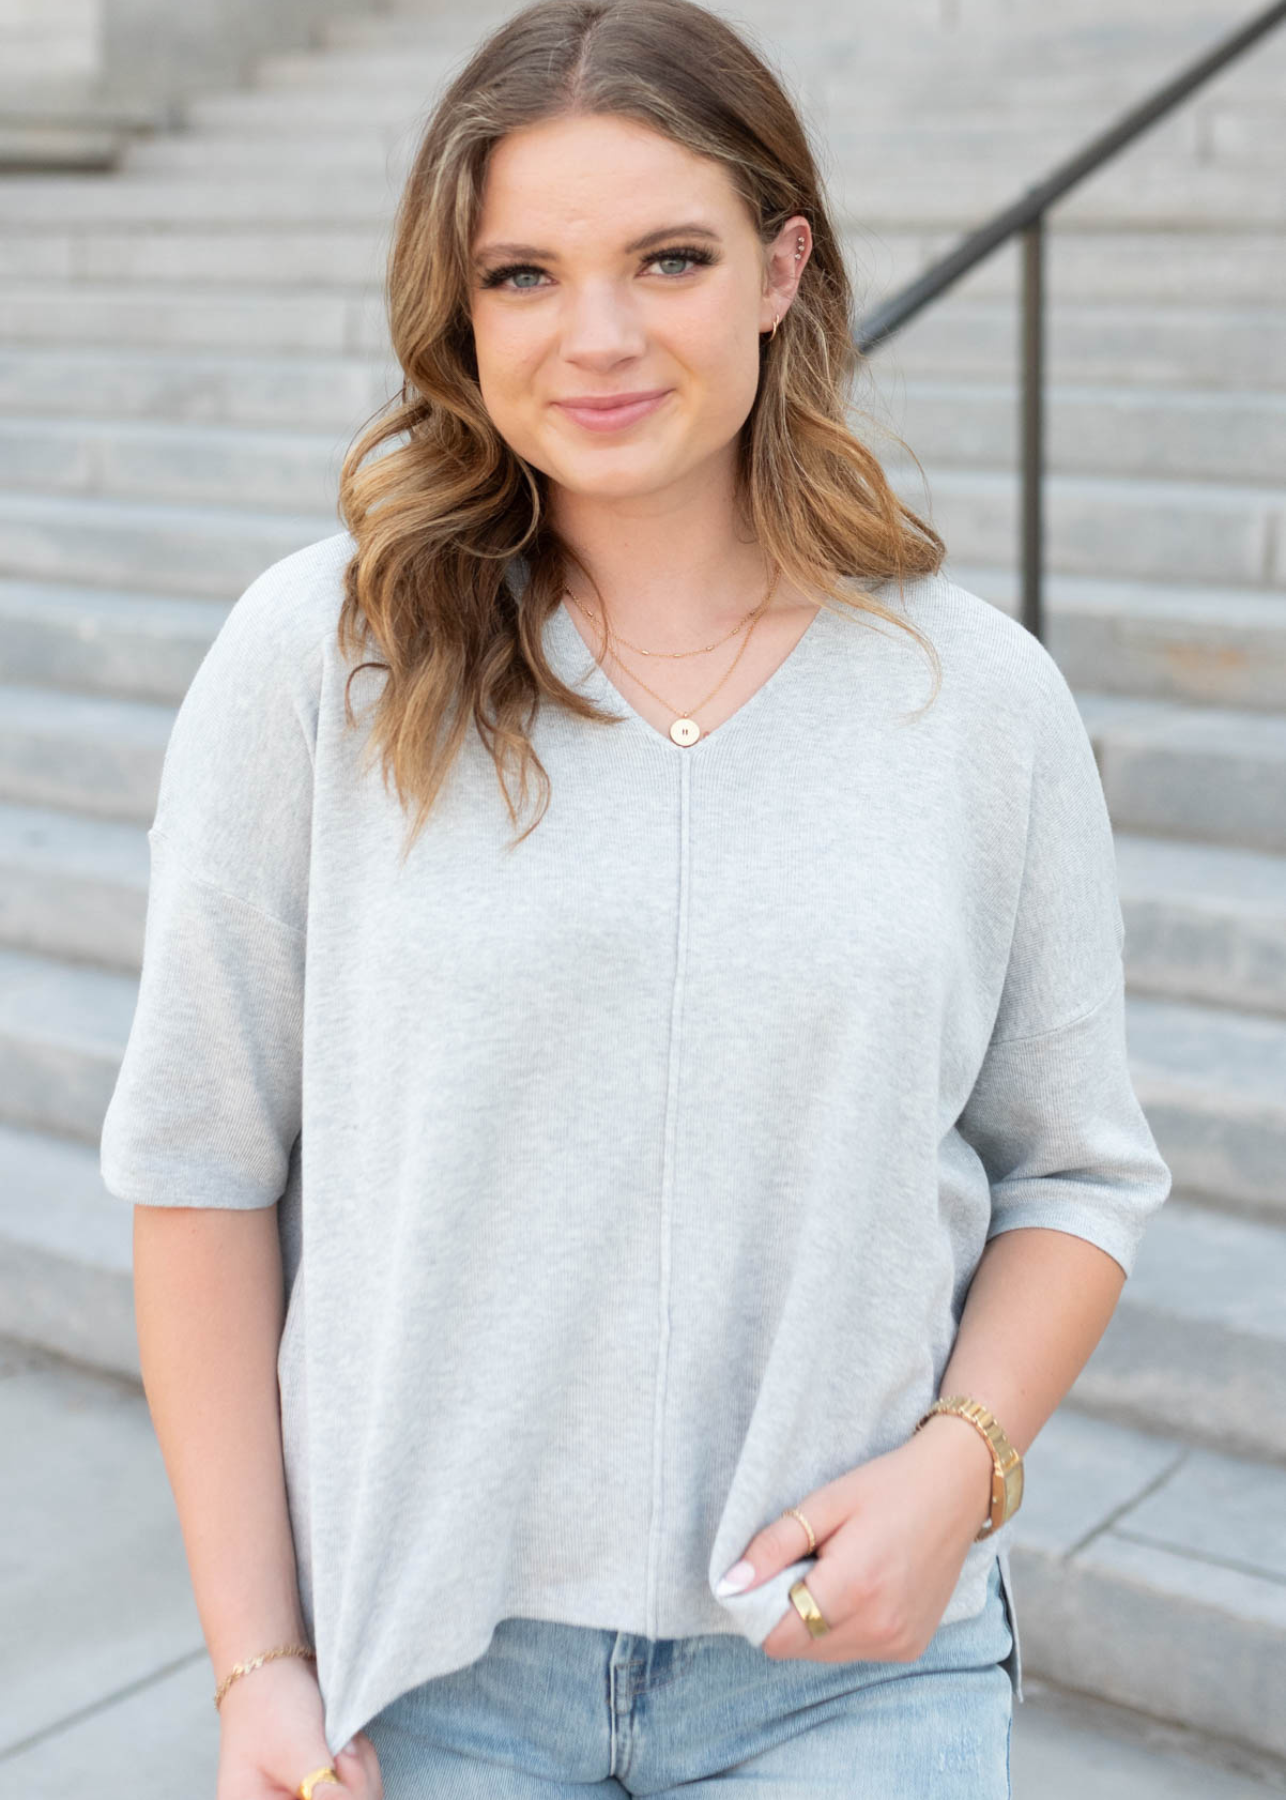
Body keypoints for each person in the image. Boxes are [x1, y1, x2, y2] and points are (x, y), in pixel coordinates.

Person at [100, 0, 1173, 1795]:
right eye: (521, 275)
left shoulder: (974, 699)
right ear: (460, 310)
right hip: (424, 1669)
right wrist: (255, 1661)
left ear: (780, 267)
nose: (593, 337)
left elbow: (1075, 1172)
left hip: (848, 1668)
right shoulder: (323, 661)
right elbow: (201, 1171)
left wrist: (960, 1463)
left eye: (666, 258)